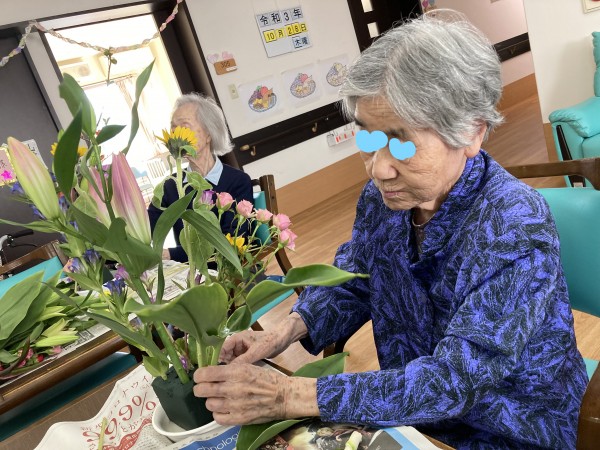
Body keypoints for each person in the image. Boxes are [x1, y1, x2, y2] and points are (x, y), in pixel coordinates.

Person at [193, 11, 587, 449]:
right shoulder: (382, 201)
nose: (378, 169)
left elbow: (453, 381)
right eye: (367, 139)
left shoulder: (514, 224)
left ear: (471, 132)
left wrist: (289, 394)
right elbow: (355, 278)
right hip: (410, 414)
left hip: (506, 426)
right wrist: (283, 332)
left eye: (402, 142)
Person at [147, 93, 253, 262]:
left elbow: (232, 242)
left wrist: (170, 254)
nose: (176, 134)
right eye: (173, 128)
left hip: (226, 269)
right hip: (189, 270)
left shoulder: (238, 181)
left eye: (184, 126)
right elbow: (146, 230)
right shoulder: (170, 185)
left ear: (209, 133)